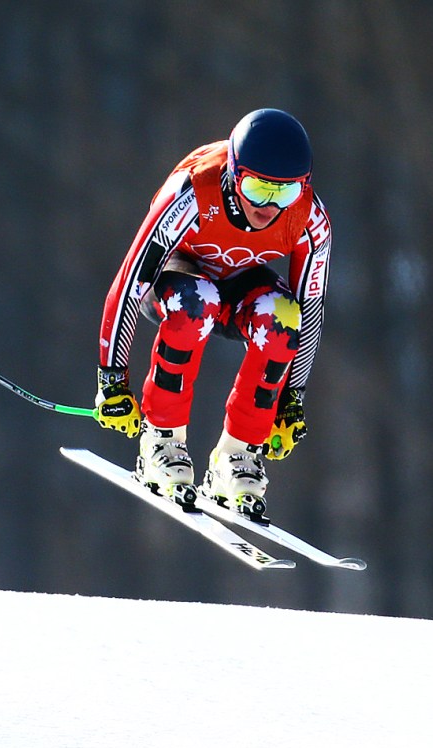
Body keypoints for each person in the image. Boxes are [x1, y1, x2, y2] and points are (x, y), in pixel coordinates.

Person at [93, 108, 331, 520]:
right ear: (235, 174)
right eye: (258, 189)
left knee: (282, 317)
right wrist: (112, 379)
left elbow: (310, 310)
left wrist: (292, 398)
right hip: (176, 283)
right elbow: (130, 281)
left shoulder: (309, 219)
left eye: (285, 193)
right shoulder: (192, 194)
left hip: (239, 285)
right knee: (197, 300)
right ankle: (161, 441)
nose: (269, 207)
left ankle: (237, 456)